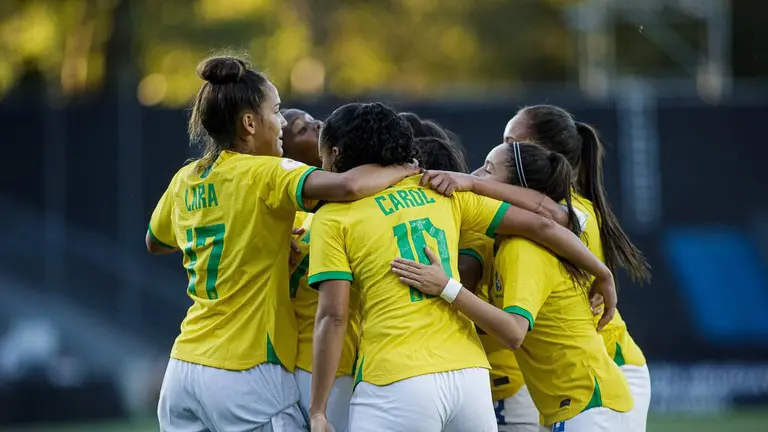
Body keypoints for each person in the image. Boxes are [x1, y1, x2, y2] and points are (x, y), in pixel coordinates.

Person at [145, 55, 418, 432]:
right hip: (244, 368)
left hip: (183, 368)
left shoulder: (186, 177)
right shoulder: (266, 171)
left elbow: (155, 242)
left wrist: (250, 244)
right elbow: (347, 186)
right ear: (249, 124)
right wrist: (404, 168)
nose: (282, 122)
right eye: (276, 112)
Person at [307, 102, 617, 432]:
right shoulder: (441, 192)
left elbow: (334, 316)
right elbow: (548, 223)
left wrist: (318, 410)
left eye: (322, 154)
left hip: (395, 375)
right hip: (470, 378)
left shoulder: (332, 216)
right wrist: (603, 272)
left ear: (336, 154)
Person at [393, 141, 634, 432]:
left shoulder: (522, 250)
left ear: (515, 190)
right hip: (574, 406)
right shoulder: (507, 241)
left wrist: (446, 287)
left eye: (488, 170)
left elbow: (513, 332)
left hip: (589, 404)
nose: (474, 175)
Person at [503, 105, 651, 431]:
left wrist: (467, 184)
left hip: (610, 364)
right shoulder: (529, 211)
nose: (500, 151)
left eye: (510, 142)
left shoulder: (573, 210)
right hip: (578, 380)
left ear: (540, 153)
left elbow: (548, 219)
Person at [280, 108, 357, 431]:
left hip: (357, 358)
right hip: (316, 366)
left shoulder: (346, 198)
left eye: (313, 118)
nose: (318, 124)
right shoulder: (289, 220)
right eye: (302, 129)